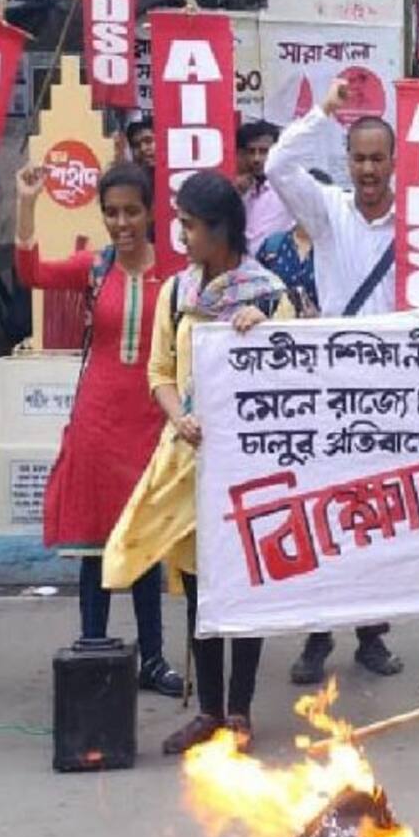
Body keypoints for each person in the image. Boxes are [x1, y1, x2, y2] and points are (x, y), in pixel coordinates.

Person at [103, 171, 293, 755]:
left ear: (221, 230)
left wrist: (266, 334)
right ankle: (209, 709)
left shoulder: (269, 296)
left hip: (249, 466)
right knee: (198, 586)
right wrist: (176, 417)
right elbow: (159, 373)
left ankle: (240, 710)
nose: (180, 235)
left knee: (245, 585)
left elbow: (293, 379)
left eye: (189, 225)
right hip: (188, 460)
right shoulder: (177, 294)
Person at [15, 160, 185, 697]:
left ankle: (153, 660)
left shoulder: (179, 275)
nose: (121, 223)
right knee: (95, 544)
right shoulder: (95, 267)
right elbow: (33, 273)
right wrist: (25, 204)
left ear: (152, 212)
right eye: (111, 212)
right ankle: (94, 652)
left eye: (131, 211)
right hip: (97, 421)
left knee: (145, 543)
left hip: (155, 421)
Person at [267, 77, 404, 685]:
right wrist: (324, 114)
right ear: (345, 162)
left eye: (378, 158)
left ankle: (372, 635)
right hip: (333, 389)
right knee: (323, 517)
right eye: (359, 158)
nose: (368, 169)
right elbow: (277, 165)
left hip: (398, 395)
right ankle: (318, 635)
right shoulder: (327, 213)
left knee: (381, 517)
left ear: (395, 162)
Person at [237, 120, 289, 253]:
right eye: (251, 151)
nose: (256, 159)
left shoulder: (288, 188)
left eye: (264, 151)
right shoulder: (240, 189)